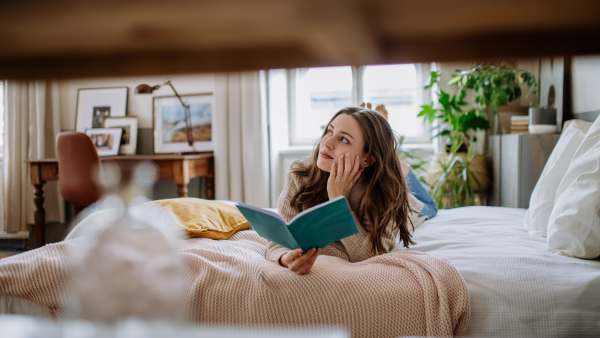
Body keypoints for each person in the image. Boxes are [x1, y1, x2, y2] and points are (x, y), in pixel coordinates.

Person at [265, 106, 428, 275]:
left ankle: (386, 138)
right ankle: (374, 126)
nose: (326, 143)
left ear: (367, 158)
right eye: (329, 131)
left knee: (430, 207)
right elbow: (278, 240)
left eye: (343, 139)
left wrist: (338, 201)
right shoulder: (301, 174)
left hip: (413, 207)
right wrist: (285, 258)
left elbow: (371, 256)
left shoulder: (384, 191)